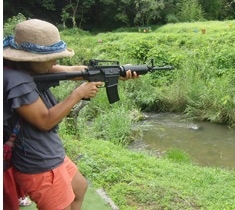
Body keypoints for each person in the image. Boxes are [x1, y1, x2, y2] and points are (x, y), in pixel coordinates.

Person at [3, 19, 137, 210]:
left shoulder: (25, 68)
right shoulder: (16, 81)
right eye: (53, 56)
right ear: (33, 58)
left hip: (49, 153)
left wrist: (117, 71)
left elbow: (73, 71)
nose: (57, 61)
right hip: (39, 163)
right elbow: (45, 121)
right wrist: (78, 94)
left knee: (79, 189)